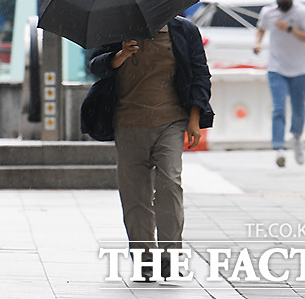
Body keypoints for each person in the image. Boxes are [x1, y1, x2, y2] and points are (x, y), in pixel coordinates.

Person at [81, 15, 213, 281]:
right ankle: (144, 258)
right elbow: (95, 65)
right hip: (127, 123)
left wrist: (195, 119)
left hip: (171, 122)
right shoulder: (116, 28)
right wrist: (120, 55)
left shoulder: (184, 30)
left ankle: (170, 256)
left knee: (170, 185)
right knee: (135, 196)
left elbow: (200, 74)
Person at [254, 0, 305, 167]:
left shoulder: (303, 12)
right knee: (279, 108)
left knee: (299, 111)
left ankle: (296, 138)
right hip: (276, 68)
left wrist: (289, 29)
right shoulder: (268, 12)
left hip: (299, 69)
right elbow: (261, 29)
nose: (285, 1)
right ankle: (279, 147)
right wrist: (257, 44)